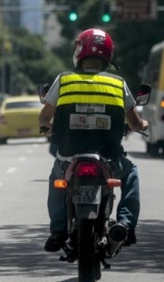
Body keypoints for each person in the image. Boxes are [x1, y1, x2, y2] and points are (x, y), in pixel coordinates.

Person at [38, 28, 149, 252]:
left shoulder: (64, 79)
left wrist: (47, 127)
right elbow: (135, 122)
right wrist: (143, 125)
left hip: (69, 157)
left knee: (57, 182)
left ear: (79, 52)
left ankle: (58, 231)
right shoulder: (118, 84)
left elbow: (44, 117)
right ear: (107, 55)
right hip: (109, 159)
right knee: (131, 173)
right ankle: (126, 224)